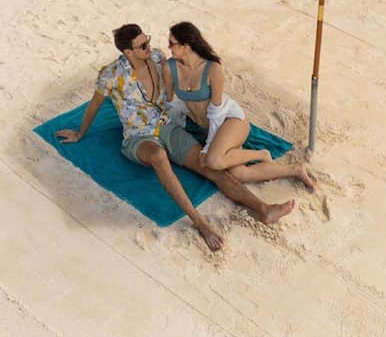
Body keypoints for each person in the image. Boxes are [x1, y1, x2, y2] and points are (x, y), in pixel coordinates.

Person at [56, 24, 296, 252]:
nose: (148, 47)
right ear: (127, 52)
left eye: (147, 41)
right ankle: (200, 222)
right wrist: (80, 133)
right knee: (159, 156)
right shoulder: (110, 75)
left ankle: (264, 209)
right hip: (138, 137)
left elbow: (186, 73)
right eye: (141, 46)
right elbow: (94, 105)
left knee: (210, 167)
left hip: (167, 126)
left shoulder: (159, 58)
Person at [164, 22, 316, 190]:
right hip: (208, 126)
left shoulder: (212, 68)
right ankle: (295, 170)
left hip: (230, 120)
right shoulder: (169, 67)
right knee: (239, 174)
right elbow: (170, 101)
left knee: (214, 160)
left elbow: (216, 113)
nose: (168, 47)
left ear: (186, 46)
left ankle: (261, 154)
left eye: (172, 43)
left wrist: (208, 147)